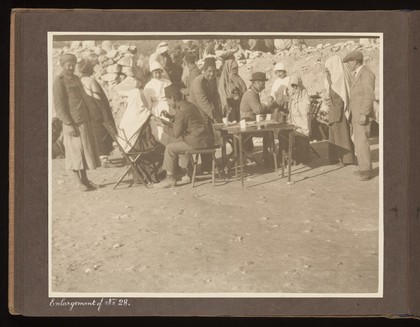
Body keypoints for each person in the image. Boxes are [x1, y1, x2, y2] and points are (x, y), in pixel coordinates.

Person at [53, 53, 101, 191]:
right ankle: (77, 182)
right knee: (74, 153)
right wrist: (68, 124)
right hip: (71, 122)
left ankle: (85, 180)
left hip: (83, 119)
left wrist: (92, 113)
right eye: (69, 65)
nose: (71, 67)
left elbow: (84, 98)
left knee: (83, 152)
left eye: (73, 64)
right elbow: (59, 105)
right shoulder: (59, 81)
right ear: (63, 65)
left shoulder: (76, 79)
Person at [152, 84, 214, 188]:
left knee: (170, 148)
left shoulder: (181, 111)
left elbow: (176, 133)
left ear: (172, 98)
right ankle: (189, 173)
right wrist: (168, 117)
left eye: (167, 100)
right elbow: (182, 123)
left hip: (198, 142)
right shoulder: (189, 105)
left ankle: (170, 179)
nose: (167, 102)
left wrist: (162, 125)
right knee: (181, 142)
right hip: (204, 139)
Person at [342, 50, 376, 181]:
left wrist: (364, 114)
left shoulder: (366, 74)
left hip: (362, 115)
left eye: (349, 62)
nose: (348, 65)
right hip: (355, 114)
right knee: (359, 142)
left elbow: (369, 96)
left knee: (362, 142)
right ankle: (363, 168)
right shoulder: (358, 74)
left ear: (355, 62)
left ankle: (367, 171)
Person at [77, 58, 115, 160]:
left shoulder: (79, 81)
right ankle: (104, 158)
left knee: (93, 134)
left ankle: (96, 157)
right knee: (101, 132)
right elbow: (98, 98)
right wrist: (105, 114)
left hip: (86, 113)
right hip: (96, 111)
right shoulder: (91, 81)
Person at [189, 56, 223, 171]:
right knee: (204, 139)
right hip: (195, 114)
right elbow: (203, 102)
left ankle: (208, 166)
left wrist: (220, 114)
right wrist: (214, 116)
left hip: (205, 114)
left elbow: (215, 98)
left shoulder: (213, 80)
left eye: (214, 71)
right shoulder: (198, 82)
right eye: (209, 71)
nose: (212, 74)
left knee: (210, 138)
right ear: (204, 71)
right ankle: (207, 167)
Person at [324, 55, 355, 166]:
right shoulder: (335, 77)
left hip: (339, 111)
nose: (326, 73)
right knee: (334, 135)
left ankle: (346, 159)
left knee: (341, 135)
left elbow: (338, 94)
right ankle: (336, 158)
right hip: (335, 110)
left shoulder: (339, 78)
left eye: (328, 70)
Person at [143, 61, 174, 145]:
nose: (158, 75)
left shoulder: (167, 82)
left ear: (162, 72)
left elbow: (172, 95)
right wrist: (150, 112)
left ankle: (171, 146)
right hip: (156, 108)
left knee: (169, 126)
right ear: (152, 73)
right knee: (159, 129)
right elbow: (148, 101)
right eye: (155, 73)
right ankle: (162, 147)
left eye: (159, 72)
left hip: (168, 106)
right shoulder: (149, 86)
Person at [287, 75, 311, 164]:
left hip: (302, 119)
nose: (294, 87)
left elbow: (307, 105)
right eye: (293, 85)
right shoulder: (293, 93)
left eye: (295, 85)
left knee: (302, 134)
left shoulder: (304, 92)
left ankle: (304, 157)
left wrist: (297, 104)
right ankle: (295, 157)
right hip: (295, 118)